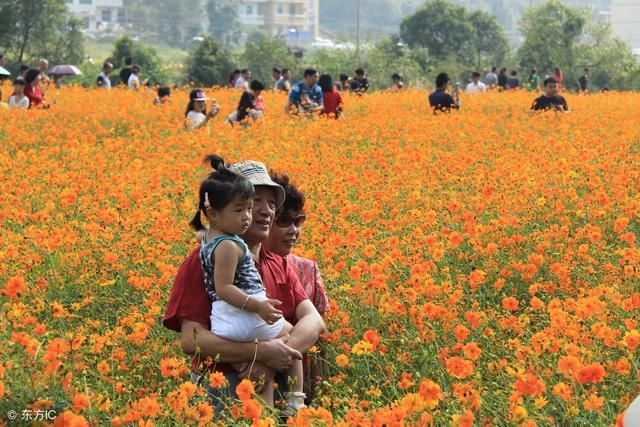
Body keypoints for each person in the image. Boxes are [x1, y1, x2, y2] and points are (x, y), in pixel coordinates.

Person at [163, 159, 325, 412]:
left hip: (280, 390)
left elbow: (314, 321)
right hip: (224, 391)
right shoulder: (203, 260)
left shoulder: (278, 263)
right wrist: (258, 352)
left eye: (271, 204)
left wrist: (270, 358)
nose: (263, 211)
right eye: (254, 202)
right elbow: (192, 339)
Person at [263, 172, 330, 402]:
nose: (294, 230)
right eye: (284, 221)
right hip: (253, 386)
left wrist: (272, 360)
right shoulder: (239, 268)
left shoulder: (307, 269)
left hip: (296, 387)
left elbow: (318, 338)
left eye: (298, 221)